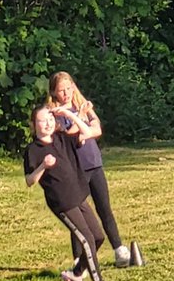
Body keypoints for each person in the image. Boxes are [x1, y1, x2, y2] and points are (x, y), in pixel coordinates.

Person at [24, 104, 121, 281]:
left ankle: (76, 274)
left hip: (79, 196)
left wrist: (69, 114)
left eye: (50, 119)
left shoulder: (63, 138)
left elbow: (87, 132)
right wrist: (43, 165)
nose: (47, 124)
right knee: (87, 240)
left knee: (98, 237)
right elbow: (29, 180)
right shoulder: (33, 150)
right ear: (34, 125)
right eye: (42, 121)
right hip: (62, 203)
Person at [48, 72, 133, 270]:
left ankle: (118, 248)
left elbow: (96, 130)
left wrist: (84, 127)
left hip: (93, 163)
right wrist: (79, 120)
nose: (66, 93)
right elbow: (70, 133)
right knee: (79, 215)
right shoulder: (55, 114)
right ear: (54, 92)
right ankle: (79, 261)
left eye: (69, 88)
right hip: (75, 169)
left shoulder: (82, 104)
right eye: (61, 90)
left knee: (104, 208)